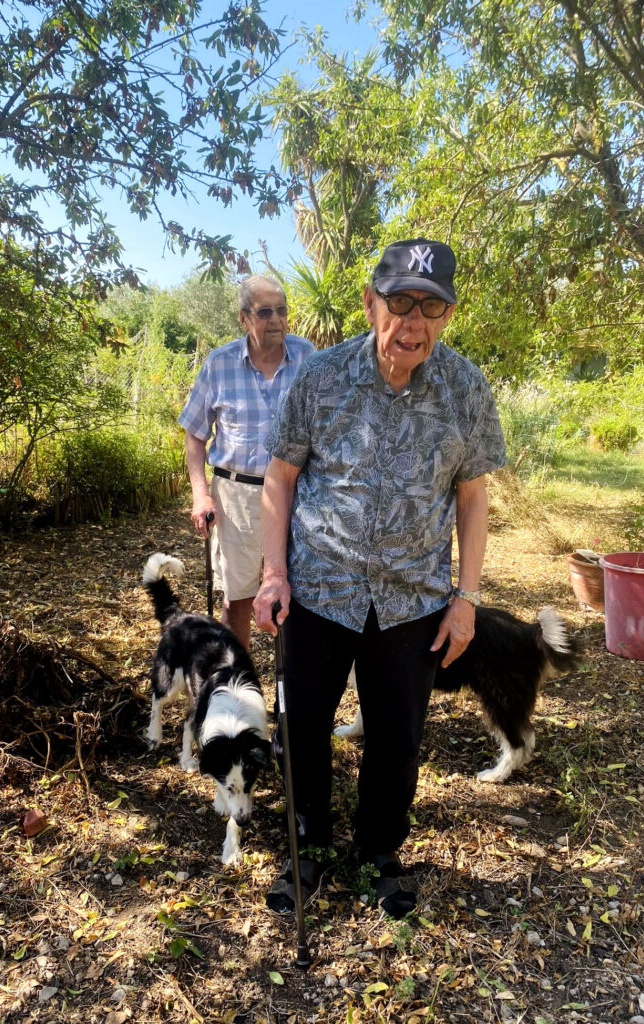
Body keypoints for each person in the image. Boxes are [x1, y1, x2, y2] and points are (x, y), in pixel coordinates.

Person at [253, 238, 507, 918]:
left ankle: (378, 852)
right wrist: (274, 573)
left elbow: (472, 496)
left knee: (397, 737)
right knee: (302, 725)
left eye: (431, 307)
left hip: (412, 599)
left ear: (447, 316)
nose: (413, 323)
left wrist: (467, 598)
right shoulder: (321, 378)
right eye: (400, 303)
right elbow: (279, 479)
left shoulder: (465, 387)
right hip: (317, 590)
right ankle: (304, 844)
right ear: (371, 304)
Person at [179, 275, 314, 651]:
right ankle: (237, 687)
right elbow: (195, 434)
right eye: (265, 311)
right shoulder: (219, 364)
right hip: (235, 493)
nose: (276, 320)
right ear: (244, 318)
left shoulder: (308, 357)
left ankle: (291, 691)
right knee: (236, 596)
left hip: (296, 494)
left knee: (297, 592)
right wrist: (200, 495)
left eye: (282, 310)